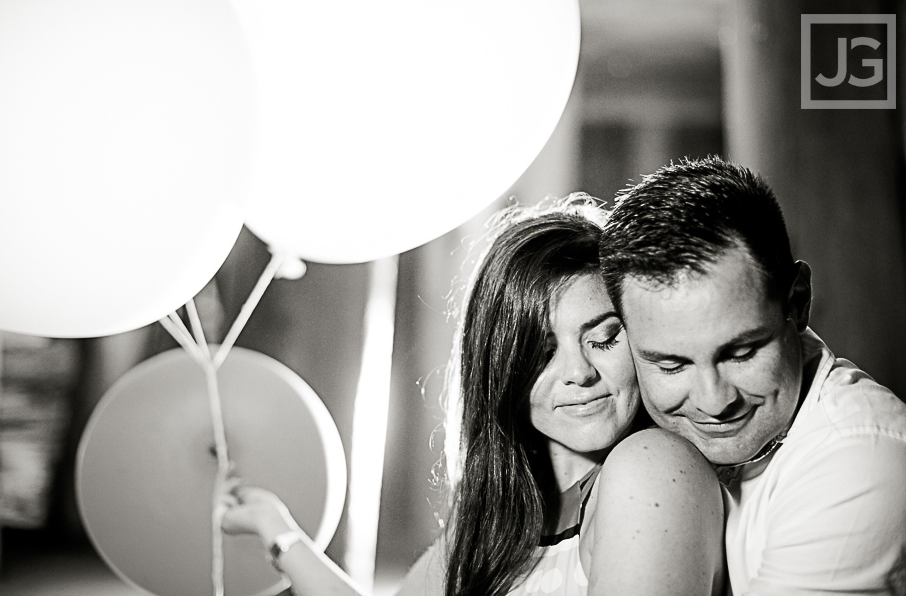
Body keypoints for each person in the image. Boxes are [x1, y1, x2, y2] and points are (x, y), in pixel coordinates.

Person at [219, 195, 725, 596]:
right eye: (541, 350)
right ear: (501, 366)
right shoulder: (500, 521)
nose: (579, 373)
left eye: (603, 338)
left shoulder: (650, 465)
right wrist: (278, 530)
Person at [600, 156, 906, 595]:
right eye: (671, 365)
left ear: (798, 301)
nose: (713, 401)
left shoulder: (862, 469)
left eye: (742, 352)